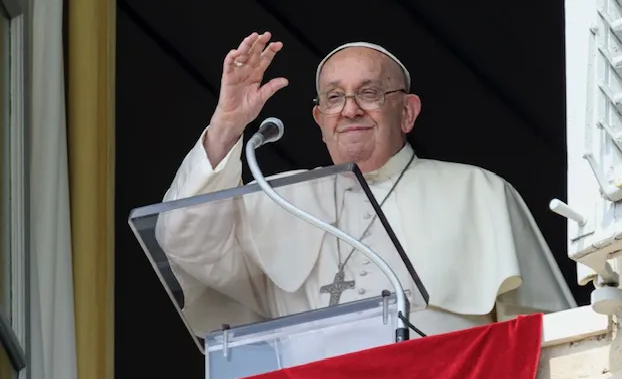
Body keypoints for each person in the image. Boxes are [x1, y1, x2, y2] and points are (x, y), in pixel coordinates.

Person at [156, 32, 577, 340]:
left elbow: (547, 336)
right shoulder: (278, 198)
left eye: (369, 92)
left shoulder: (478, 192)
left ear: (407, 112)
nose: (351, 109)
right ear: (320, 120)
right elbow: (183, 241)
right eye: (334, 98)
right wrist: (227, 124)